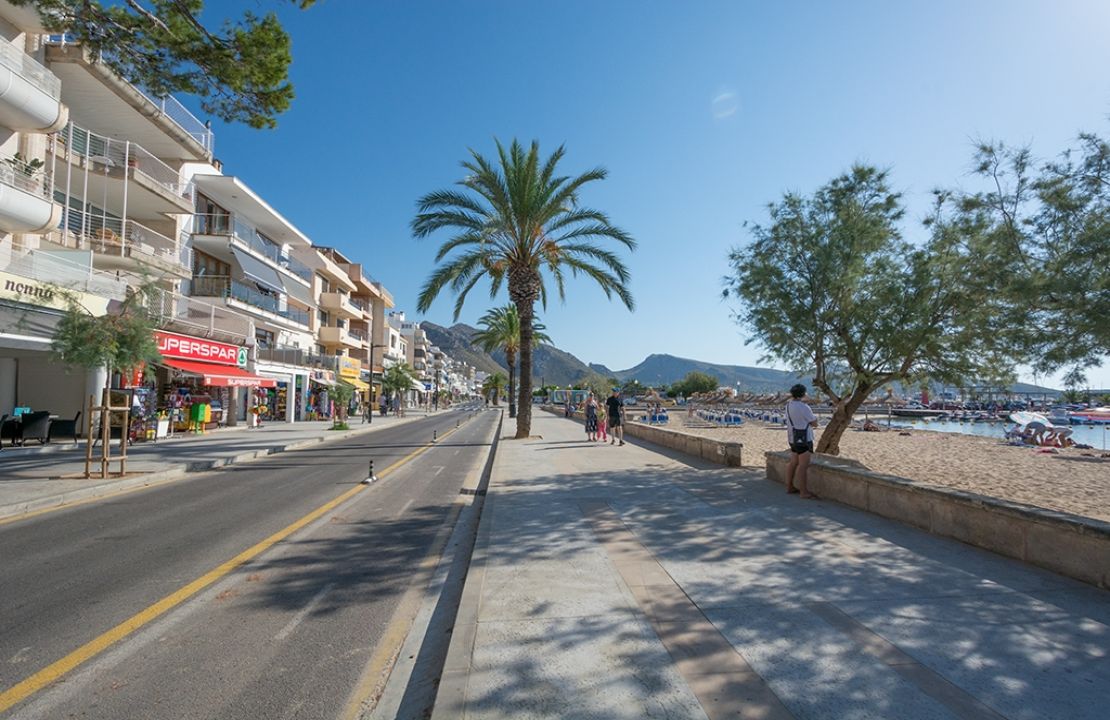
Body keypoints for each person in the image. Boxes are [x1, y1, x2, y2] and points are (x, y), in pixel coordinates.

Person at [784, 383, 818, 499]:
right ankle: (803, 492)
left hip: (792, 437)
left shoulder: (788, 405)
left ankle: (789, 486)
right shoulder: (804, 407)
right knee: (803, 465)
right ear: (803, 394)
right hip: (804, 439)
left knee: (793, 462)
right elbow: (814, 423)